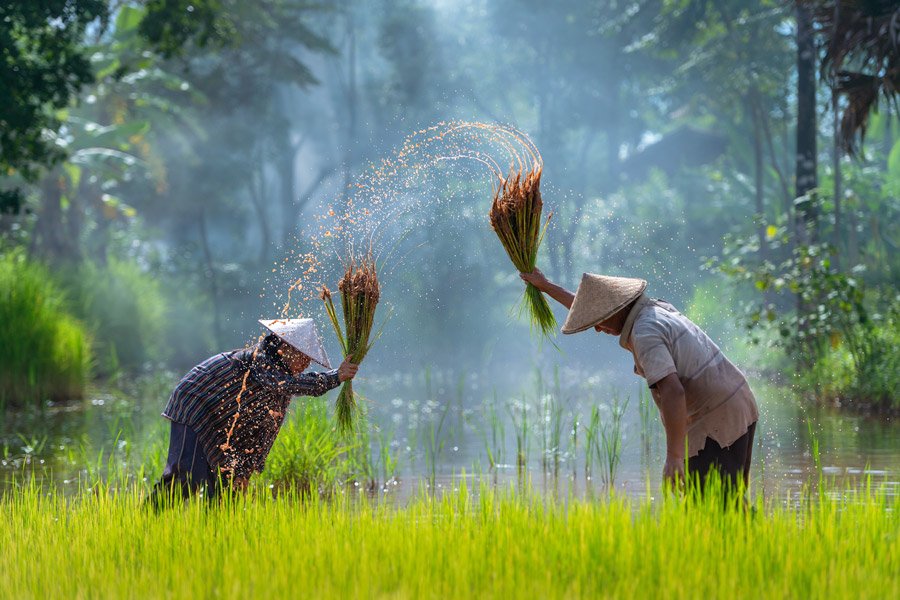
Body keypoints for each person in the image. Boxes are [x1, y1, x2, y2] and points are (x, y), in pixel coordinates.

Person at [520, 269, 759, 494]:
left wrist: (674, 457)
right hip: (737, 402)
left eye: (599, 319)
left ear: (615, 310)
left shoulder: (645, 332)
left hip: (717, 417)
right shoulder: (654, 310)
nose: (597, 328)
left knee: (712, 509)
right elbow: (592, 309)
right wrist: (547, 286)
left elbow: (673, 392)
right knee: (727, 506)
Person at [150, 318, 358, 505]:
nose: (306, 364)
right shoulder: (263, 360)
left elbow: (266, 429)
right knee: (189, 476)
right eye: (303, 356)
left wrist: (245, 469)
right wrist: (334, 377)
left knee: (228, 486)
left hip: (223, 419)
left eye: (309, 359)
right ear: (285, 348)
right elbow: (285, 384)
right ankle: (150, 517)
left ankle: (218, 537)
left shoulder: (281, 384)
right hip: (196, 402)